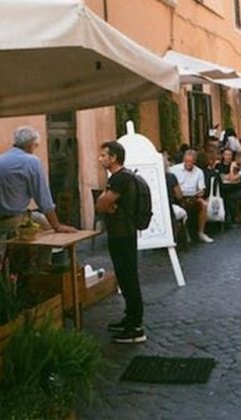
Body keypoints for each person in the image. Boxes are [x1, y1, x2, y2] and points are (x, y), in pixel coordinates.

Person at [96, 141, 146, 344]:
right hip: (123, 233)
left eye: (103, 155)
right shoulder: (121, 178)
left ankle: (135, 327)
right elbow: (106, 204)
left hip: (122, 234)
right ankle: (130, 318)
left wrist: (104, 203)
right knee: (125, 276)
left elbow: (101, 204)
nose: (100, 159)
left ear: (113, 157)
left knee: (128, 277)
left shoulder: (120, 179)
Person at [0, 126, 77, 234]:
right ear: (30, 145)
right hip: (11, 220)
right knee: (45, 224)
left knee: (35, 217)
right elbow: (44, 200)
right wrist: (57, 226)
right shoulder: (31, 161)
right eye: (35, 146)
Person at [169, 150, 214, 243]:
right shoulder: (174, 169)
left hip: (193, 196)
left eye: (190, 162)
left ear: (194, 161)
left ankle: (201, 232)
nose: (188, 164)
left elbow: (202, 188)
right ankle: (185, 233)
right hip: (178, 197)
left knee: (204, 204)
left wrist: (200, 192)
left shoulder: (198, 172)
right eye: (186, 161)